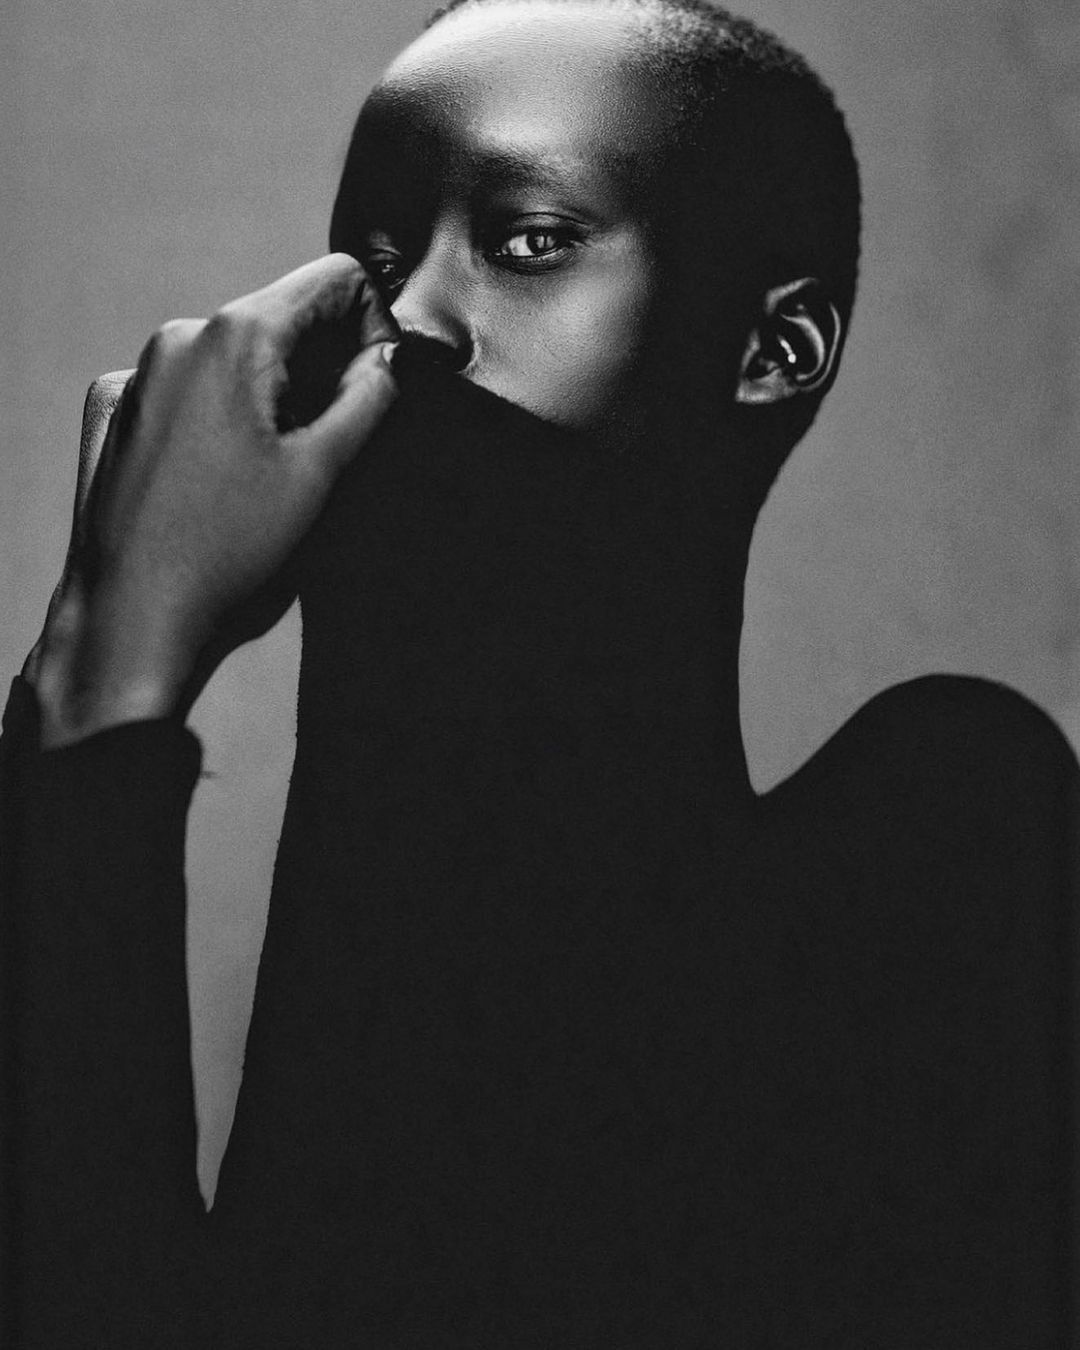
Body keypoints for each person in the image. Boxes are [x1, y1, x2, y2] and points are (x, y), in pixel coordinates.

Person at [2, 1, 1076, 1345]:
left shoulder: (953, 847)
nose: (410, 320)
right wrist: (104, 668)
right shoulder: (386, 974)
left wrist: (101, 702)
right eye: (374, 266)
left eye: (528, 241)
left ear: (775, 349)